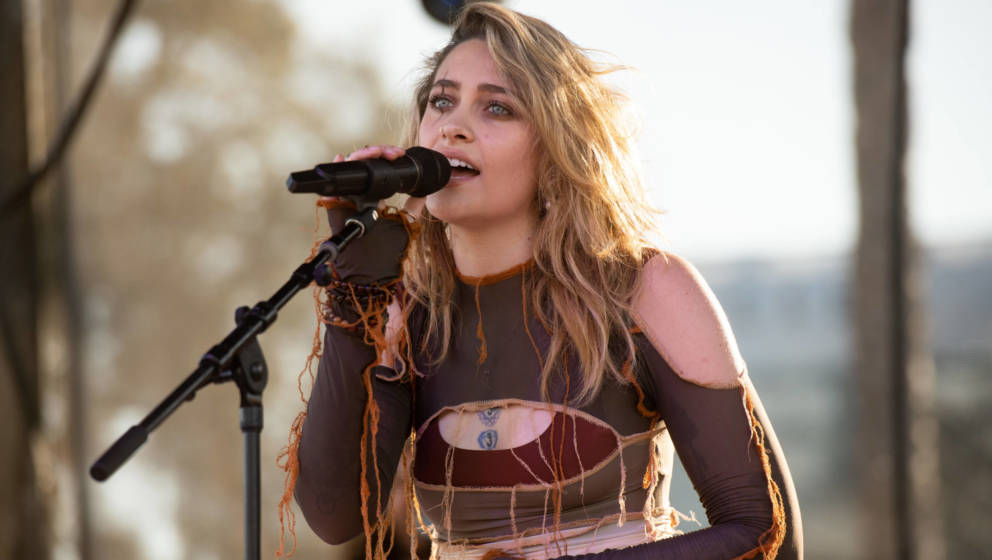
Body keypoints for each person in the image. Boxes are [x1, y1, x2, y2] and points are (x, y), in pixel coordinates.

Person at [281, 3, 802, 559]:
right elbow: (335, 517)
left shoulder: (646, 288)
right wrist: (356, 296)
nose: (453, 126)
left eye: (497, 108)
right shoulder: (405, 315)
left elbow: (764, 536)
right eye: (442, 101)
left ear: (556, 145)